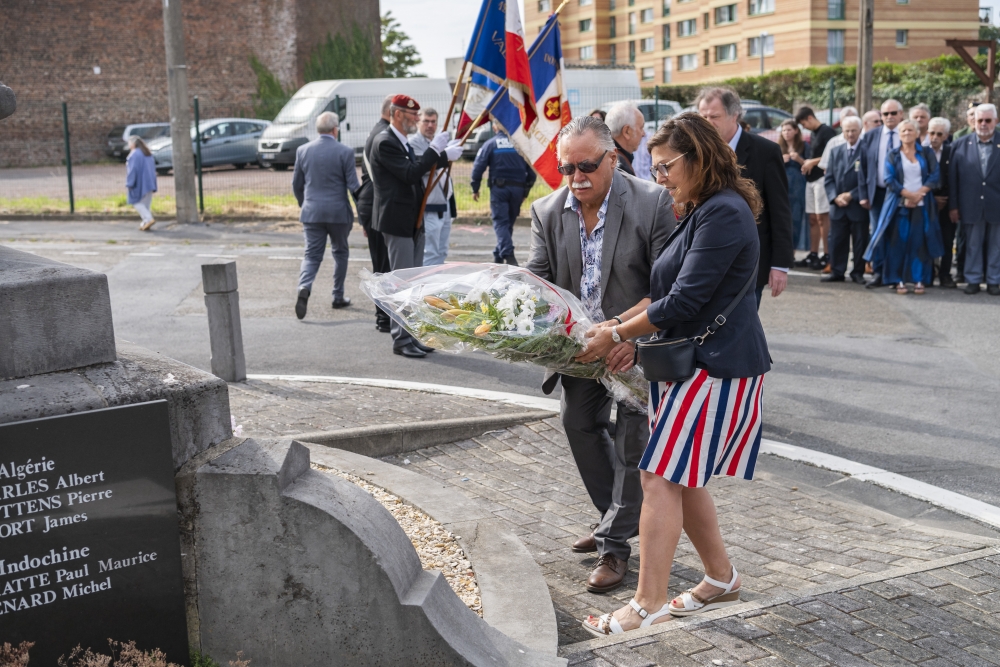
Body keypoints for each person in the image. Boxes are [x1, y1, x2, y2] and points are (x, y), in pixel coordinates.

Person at [580, 113, 769, 636]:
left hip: (716, 368)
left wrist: (617, 334)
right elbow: (665, 295)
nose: (659, 178)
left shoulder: (722, 211)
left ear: (698, 157)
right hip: (696, 366)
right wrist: (615, 326)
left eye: (665, 167)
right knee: (679, 478)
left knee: (659, 477)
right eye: (655, 168)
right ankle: (721, 577)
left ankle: (648, 603)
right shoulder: (704, 208)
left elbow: (683, 300)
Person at [526, 115, 675, 594]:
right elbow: (539, 285)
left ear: (613, 158)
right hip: (581, 350)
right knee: (577, 423)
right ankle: (615, 517)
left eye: (587, 166)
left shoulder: (652, 202)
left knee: (633, 442)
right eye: (566, 168)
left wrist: (627, 336)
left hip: (633, 345)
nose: (577, 178)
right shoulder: (547, 211)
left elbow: (667, 288)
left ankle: (614, 547)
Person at [370, 94, 463, 357]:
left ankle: (411, 335)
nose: (416, 119)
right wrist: (436, 151)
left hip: (412, 219)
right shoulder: (385, 141)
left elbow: (417, 166)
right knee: (402, 283)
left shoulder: (399, 141)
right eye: (412, 115)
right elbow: (410, 173)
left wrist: (442, 157)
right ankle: (401, 340)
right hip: (398, 221)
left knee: (413, 282)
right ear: (398, 114)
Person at [696, 87, 793, 305]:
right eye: (703, 117)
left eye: (714, 117)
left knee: (741, 323)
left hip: (749, 262)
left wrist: (780, 264)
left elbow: (780, 210)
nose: (708, 123)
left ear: (735, 115)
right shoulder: (695, 151)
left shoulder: (765, 151)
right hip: (704, 260)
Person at [291, 111, 360, 319]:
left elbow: (297, 184)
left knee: (312, 255)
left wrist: (305, 204)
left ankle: (304, 286)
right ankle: (338, 295)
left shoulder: (303, 150)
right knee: (340, 253)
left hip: (312, 212)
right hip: (338, 213)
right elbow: (353, 186)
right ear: (335, 129)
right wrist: (362, 213)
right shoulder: (345, 152)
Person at [865, 119, 942, 295]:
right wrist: (908, 195)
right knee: (897, 243)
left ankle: (919, 279)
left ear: (917, 133)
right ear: (899, 135)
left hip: (922, 205)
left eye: (910, 130)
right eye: (903, 131)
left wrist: (918, 194)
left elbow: (935, 176)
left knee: (919, 243)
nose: (907, 133)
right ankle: (897, 280)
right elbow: (889, 179)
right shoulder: (893, 154)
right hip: (898, 205)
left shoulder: (926, 153)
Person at [948, 103, 1000, 295]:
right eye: (980, 120)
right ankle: (973, 279)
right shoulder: (960, 145)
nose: (983, 124)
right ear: (973, 122)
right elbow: (953, 179)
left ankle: (994, 281)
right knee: (972, 244)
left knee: (997, 246)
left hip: (996, 203)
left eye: (988, 120)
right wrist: (953, 206)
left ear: (996, 121)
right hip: (970, 204)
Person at [471, 122, 537, 265]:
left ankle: (508, 254)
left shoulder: (490, 144)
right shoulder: (521, 146)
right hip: (518, 190)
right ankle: (498, 256)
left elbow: (478, 167)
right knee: (507, 225)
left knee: (501, 223)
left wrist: (475, 188)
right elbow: (532, 173)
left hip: (499, 190)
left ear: (494, 127)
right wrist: (525, 192)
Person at [857, 98, 905, 289]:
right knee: (878, 233)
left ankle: (895, 275)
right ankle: (878, 273)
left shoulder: (907, 133)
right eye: (885, 114)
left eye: (893, 113)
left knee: (897, 234)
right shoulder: (871, 136)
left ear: (901, 114)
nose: (889, 117)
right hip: (876, 193)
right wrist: (863, 195)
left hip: (900, 193)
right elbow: (863, 168)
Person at [357, 95, 394, 333]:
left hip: (371, 204)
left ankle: (384, 316)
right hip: (376, 206)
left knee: (382, 263)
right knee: (383, 265)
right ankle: (383, 317)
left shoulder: (377, 130)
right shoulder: (383, 134)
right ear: (393, 112)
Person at [823, 116, 870, 284]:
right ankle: (837, 271)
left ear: (860, 131)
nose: (850, 134)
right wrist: (834, 197)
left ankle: (858, 272)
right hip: (838, 206)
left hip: (858, 205)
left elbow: (869, 179)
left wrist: (852, 195)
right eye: (847, 131)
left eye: (853, 130)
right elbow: (829, 178)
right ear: (842, 132)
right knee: (837, 240)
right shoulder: (836, 151)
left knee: (860, 241)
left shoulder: (867, 150)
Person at [410, 107, 456, 266]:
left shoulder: (438, 141)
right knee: (430, 251)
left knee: (442, 251)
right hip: (428, 204)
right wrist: (445, 155)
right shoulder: (414, 143)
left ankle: (437, 280)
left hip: (444, 202)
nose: (430, 125)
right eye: (426, 121)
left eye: (433, 122)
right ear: (418, 122)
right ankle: (426, 281)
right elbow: (421, 166)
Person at [794, 107, 836, 270]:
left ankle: (827, 254)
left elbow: (833, 154)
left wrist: (812, 162)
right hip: (811, 180)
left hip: (821, 179)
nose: (804, 127)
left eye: (804, 123)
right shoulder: (813, 133)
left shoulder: (827, 132)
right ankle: (813, 253)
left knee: (822, 218)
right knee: (812, 218)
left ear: (810, 118)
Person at [928, 117, 957, 287]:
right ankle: (928, 273)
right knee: (927, 238)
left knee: (947, 240)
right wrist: (932, 198)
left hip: (947, 203)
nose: (935, 137)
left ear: (946, 136)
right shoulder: (921, 152)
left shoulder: (952, 152)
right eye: (932, 133)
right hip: (927, 202)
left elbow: (956, 180)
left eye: (939, 134)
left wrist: (952, 205)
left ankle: (945, 274)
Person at [777, 120, 809, 252]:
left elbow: (810, 166)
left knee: (796, 218)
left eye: (789, 130)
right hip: (782, 186)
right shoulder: (778, 147)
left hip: (798, 187)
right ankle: (784, 250)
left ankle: (794, 250)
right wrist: (781, 160)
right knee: (782, 219)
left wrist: (799, 160)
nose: (786, 133)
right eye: (784, 130)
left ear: (796, 130)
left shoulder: (804, 146)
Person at [125, 136, 158, 232]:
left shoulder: (134, 154)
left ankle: (148, 219)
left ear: (133, 144)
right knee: (145, 204)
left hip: (139, 182)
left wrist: (129, 183)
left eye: (129, 143)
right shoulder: (147, 153)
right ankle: (145, 222)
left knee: (135, 202)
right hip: (150, 182)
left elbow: (132, 170)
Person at [606, 101, 645, 176]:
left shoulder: (607, 156)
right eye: (641, 128)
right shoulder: (619, 166)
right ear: (626, 131)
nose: (643, 134)